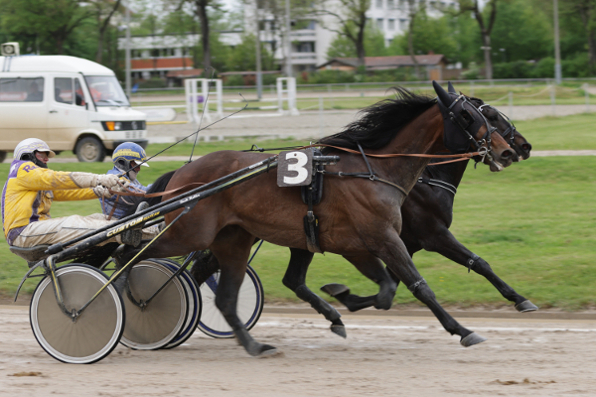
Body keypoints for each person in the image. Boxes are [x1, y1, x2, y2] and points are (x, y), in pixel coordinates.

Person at [1, 138, 154, 249]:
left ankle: (150, 231)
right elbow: (58, 179)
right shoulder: (22, 169)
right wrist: (98, 179)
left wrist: (100, 191)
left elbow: (68, 193)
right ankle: (144, 233)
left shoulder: (35, 181)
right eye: (42, 154)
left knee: (100, 219)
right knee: (73, 223)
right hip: (23, 231)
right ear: (28, 155)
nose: (47, 158)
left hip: (37, 228)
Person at [100, 142, 151, 220]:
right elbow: (143, 193)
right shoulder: (114, 178)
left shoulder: (128, 177)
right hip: (117, 226)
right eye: (136, 165)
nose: (139, 169)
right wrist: (163, 184)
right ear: (122, 162)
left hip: (131, 223)